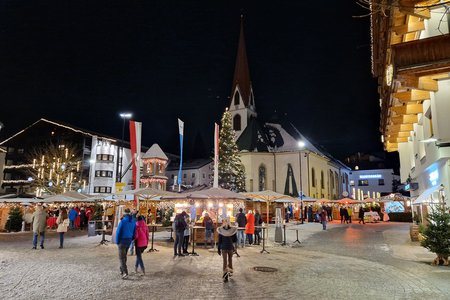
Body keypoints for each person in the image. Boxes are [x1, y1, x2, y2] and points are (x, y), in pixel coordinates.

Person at [115, 208, 136, 279]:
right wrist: (131, 238)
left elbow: (118, 232)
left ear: (124, 214)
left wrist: (117, 241)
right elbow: (134, 232)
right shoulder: (133, 221)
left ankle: (125, 272)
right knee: (124, 256)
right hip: (128, 241)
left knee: (121, 258)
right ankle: (122, 270)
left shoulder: (122, 221)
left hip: (122, 241)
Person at [217, 218, 237, 283]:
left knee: (225, 261)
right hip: (230, 247)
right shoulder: (233, 230)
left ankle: (225, 274)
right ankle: (230, 272)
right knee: (230, 260)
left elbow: (219, 241)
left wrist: (218, 249)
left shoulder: (221, 230)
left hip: (224, 247)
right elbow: (235, 240)